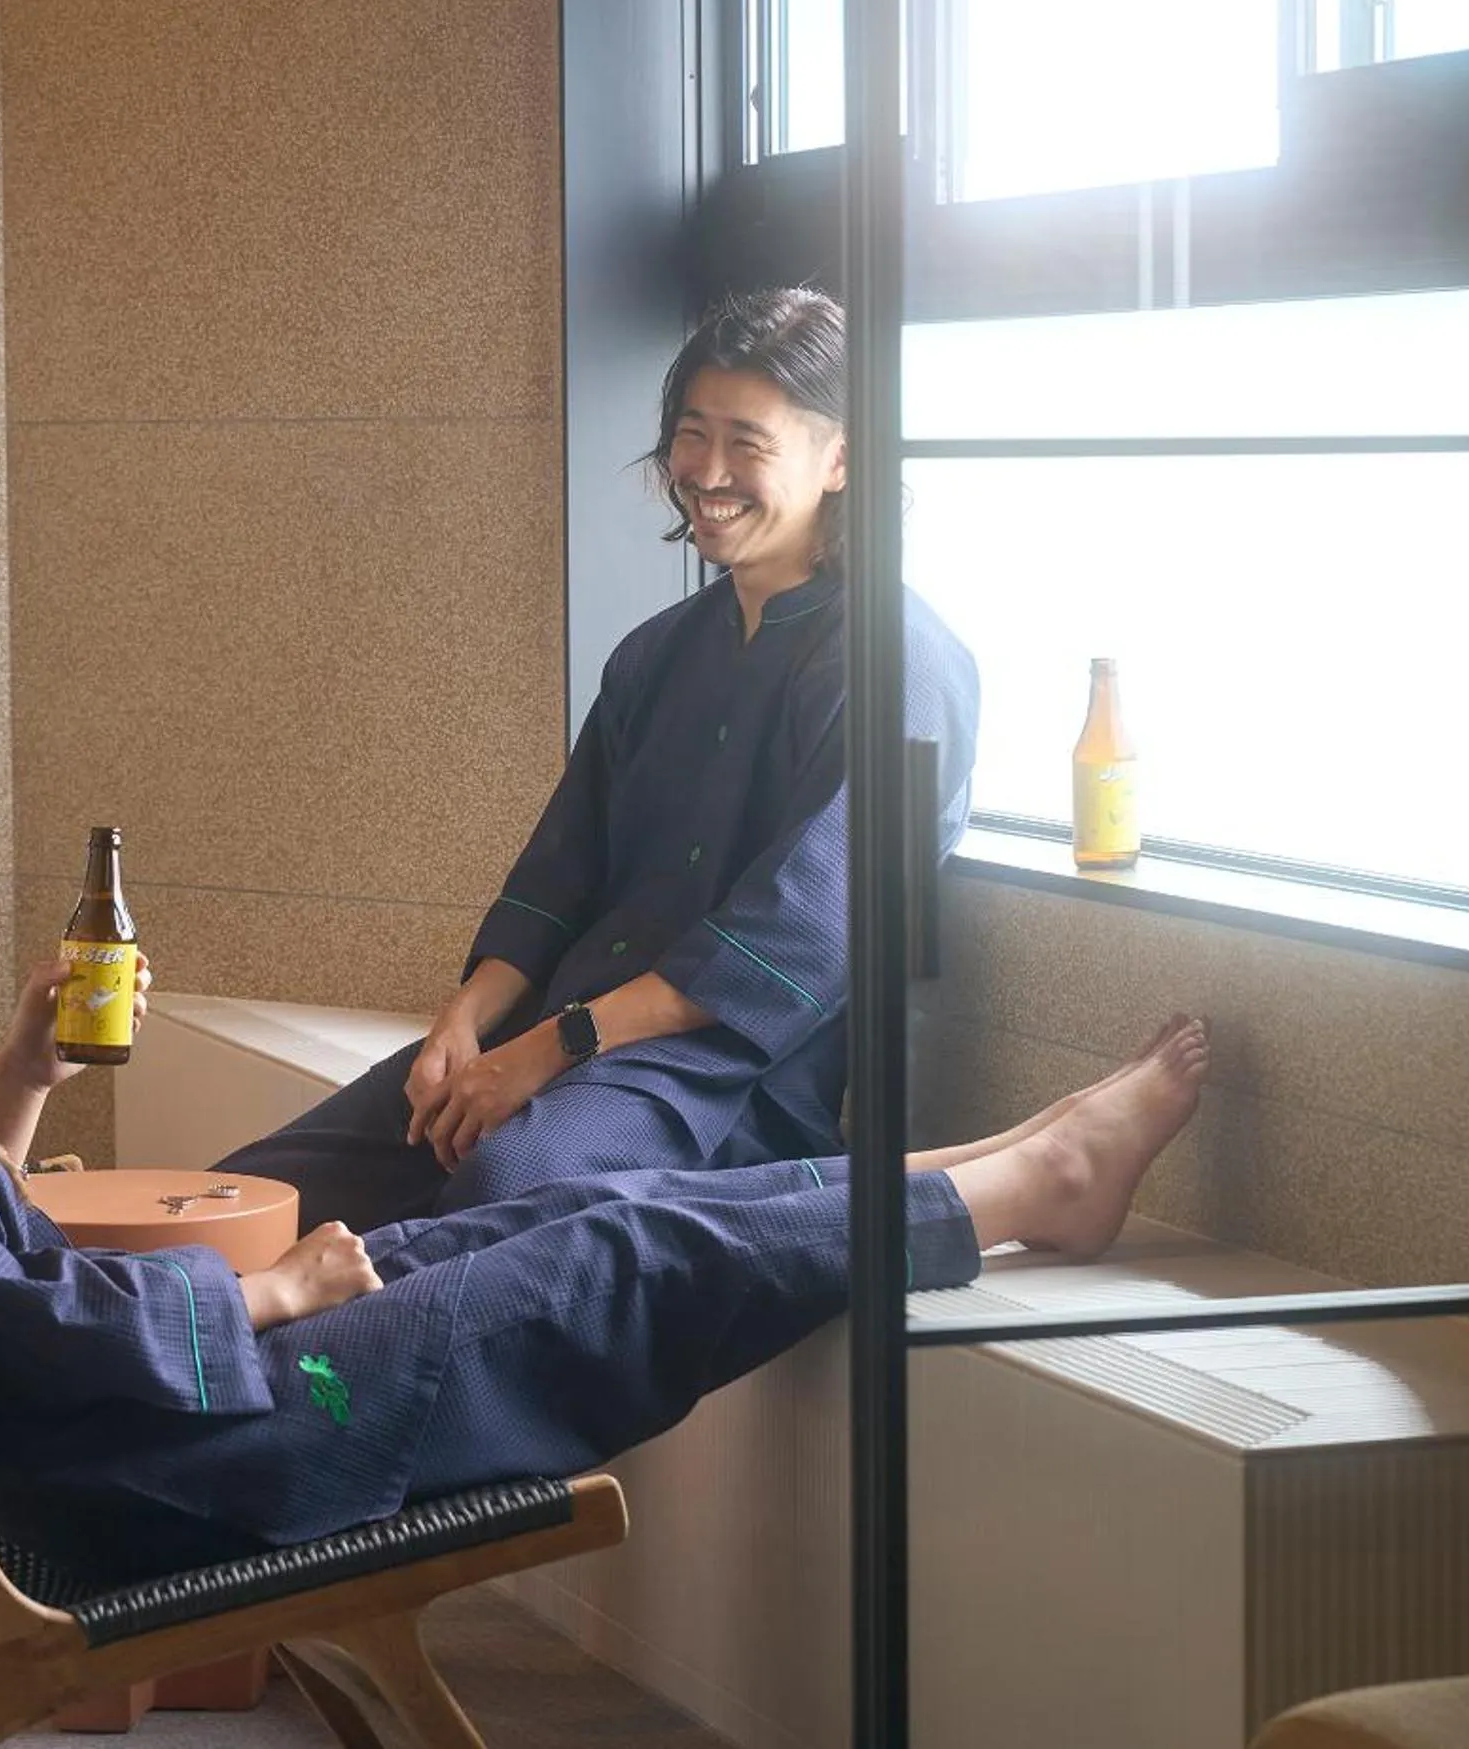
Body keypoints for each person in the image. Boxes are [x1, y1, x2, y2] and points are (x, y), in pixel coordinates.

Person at [0, 673, 1207, 1669]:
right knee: (613, 1257)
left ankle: (994, 1177)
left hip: (48, 1459)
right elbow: (45, 1327)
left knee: (576, 1207)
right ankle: (1023, 1186)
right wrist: (281, 1282)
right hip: (168, 1469)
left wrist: (25, 1076)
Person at [220, 289, 997, 1231]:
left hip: (727, 1083)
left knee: (501, 1184)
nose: (708, 472)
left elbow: (799, 941)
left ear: (841, 459)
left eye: (748, 443)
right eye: (691, 434)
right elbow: (560, 873)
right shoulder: (657, 651)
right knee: (251, 1199)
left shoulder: (901, 666)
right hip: (556, 1026)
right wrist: (462, 1023)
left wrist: (553, 1047)